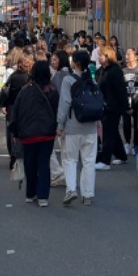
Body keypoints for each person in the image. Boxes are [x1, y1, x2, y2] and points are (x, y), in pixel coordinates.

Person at [11, 60, 59, 207]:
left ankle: (30, 193)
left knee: (30, 163)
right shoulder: (52, 90)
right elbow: (57, 110)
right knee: (44, 163)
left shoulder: (25, 90)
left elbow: (16, 112)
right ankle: (43, 196)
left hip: (28, 133)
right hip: (47, 133)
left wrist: (15, 131)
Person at [57, 49, 99, 205]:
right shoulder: (92, 81)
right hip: (91, 127)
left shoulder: (68, 80)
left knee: (70, 160)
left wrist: (60, 124)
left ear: (76, 63)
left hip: (73, 126)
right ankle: (87, 195)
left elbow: (65, 103)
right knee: (88, 161)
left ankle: (71, 190)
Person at [94, 47, 128, 170]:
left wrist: (126, 106)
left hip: (113, 106)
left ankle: (105, 161)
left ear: (108, 56)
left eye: (101, 55)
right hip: (103, 105)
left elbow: (121, 90)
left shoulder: (115, 71)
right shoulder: (100, 70)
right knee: (112, 131)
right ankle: (121, 155)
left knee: (108, 132)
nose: (99, 57)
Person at [0, 49, 33, 171]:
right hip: (27, 108)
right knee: (25, 130)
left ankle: (14, 156)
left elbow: (5, 93)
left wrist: (4, 104)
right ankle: (24, 154)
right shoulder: (30, 78)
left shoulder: (13, 77)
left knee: (12, 132)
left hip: (12, 107)